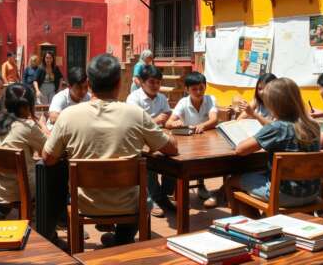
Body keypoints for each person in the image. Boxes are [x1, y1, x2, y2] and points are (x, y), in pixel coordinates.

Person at [43, 54, 178, 248]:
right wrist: (169, 134)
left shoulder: (67, 117)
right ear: (119, 83)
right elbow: (171, 149)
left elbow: (47, 159)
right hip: (129, 204)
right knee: (143, 197)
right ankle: (122, 239)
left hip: (85, 203)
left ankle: (116, 240)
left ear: (88, 83)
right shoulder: (136, 115)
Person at [225, 78, 321, 213]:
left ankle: (255, 225)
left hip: (285, 194)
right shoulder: (313, 125)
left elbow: (241, 150)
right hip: (312, 192)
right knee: (258, 175)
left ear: (273, 104)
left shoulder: (277, 128)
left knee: (232, 181)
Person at [0, 83, 49, 220]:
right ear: (27, 106)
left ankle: (2, 209)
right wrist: (42, 124)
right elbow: (50, 150)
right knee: (57, 172)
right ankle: (57, 222)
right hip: (21, 190)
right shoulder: (28, 127)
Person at [126, 64, 175, 218]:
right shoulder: (134, 98)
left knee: (174, 160)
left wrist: (166, 119)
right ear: (141, 82)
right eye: (152, 82)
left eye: (158, 83)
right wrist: (155, 120)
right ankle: (154, 198)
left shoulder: (161, 98)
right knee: (149, 166)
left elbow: (167, 113)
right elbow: (133, 123)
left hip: (158, 137)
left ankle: (164, 195)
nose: (155, 86)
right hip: (140, 141)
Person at [165, 71, 218, 207]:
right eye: (194, 89)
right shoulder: (183, 102)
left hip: (206, 141)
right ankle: (180, 189)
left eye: (201, 88)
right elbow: (169, 123)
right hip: (188, 141)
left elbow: (214, 119)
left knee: (204, 160)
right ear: (187, 89)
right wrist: (175, 123)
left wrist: (202, 126)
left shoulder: (211, 99)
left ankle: (201, 185)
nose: (199, 91)